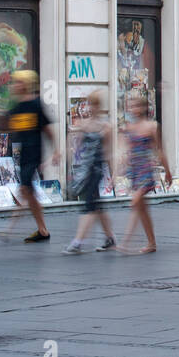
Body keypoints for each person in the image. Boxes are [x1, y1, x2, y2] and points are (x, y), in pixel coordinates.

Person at [62, 90, 117, 254]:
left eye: (94, 104)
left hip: (96, 169)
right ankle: (110, 238)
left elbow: (109, 152)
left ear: (99, 106)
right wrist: (69, 164)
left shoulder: (106, 127)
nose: (91, 108)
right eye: (89, 104)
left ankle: (78, 241)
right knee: (96, 204)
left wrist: (113, 176)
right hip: (85, 169)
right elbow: (74, 145)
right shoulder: (84, 125)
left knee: (89, 205)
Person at [117, 90, 171, 253]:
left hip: (146, 169)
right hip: (134, 169)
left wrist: (167, 172)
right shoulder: (129, 126)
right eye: (130, 106)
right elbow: (125, 148)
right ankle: (151, 243)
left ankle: (125, 242)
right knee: (142, 209)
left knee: (135, 202)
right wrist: (121, 162)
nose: (133, 109)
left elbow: (160, 150)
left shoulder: (152, 126)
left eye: (136, 106)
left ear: (143, 108)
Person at [7, 70, 58, 243]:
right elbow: (12, 128)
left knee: (25, 188)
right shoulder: (15, 107)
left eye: (18, 82)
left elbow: (47, 130)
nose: (14, 85)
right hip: (23, 154)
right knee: (28, 191)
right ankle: (42, 229)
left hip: (34, 152)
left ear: (26, 84)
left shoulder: (35, 104)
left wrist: (56, 151)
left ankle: (39, 229)